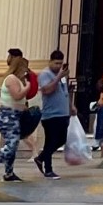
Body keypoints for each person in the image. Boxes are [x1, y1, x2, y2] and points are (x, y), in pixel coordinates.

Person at [0, 50, 34, 183]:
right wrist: (28, 86)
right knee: (12, 145)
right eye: (24, 68)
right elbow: (17, 95)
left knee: (12, 145)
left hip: (14, 116)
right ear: (19, 66)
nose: (26, 71)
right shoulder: (11, 79)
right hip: (7, 117)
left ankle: (9, 173)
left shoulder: (17, 80)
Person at [33, 49, 72, 179]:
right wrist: (58, 77)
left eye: (60, 63)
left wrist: (71, 106)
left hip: (63, 113)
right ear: (50, 62)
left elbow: (65, 92)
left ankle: (41, 158)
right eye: (56, 63)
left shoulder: (62, 75)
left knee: (62, 140)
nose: (58, 66)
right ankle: (48, 169)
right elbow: (47, 90)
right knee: (51, 141)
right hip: (51, 115)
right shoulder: (45, 74)